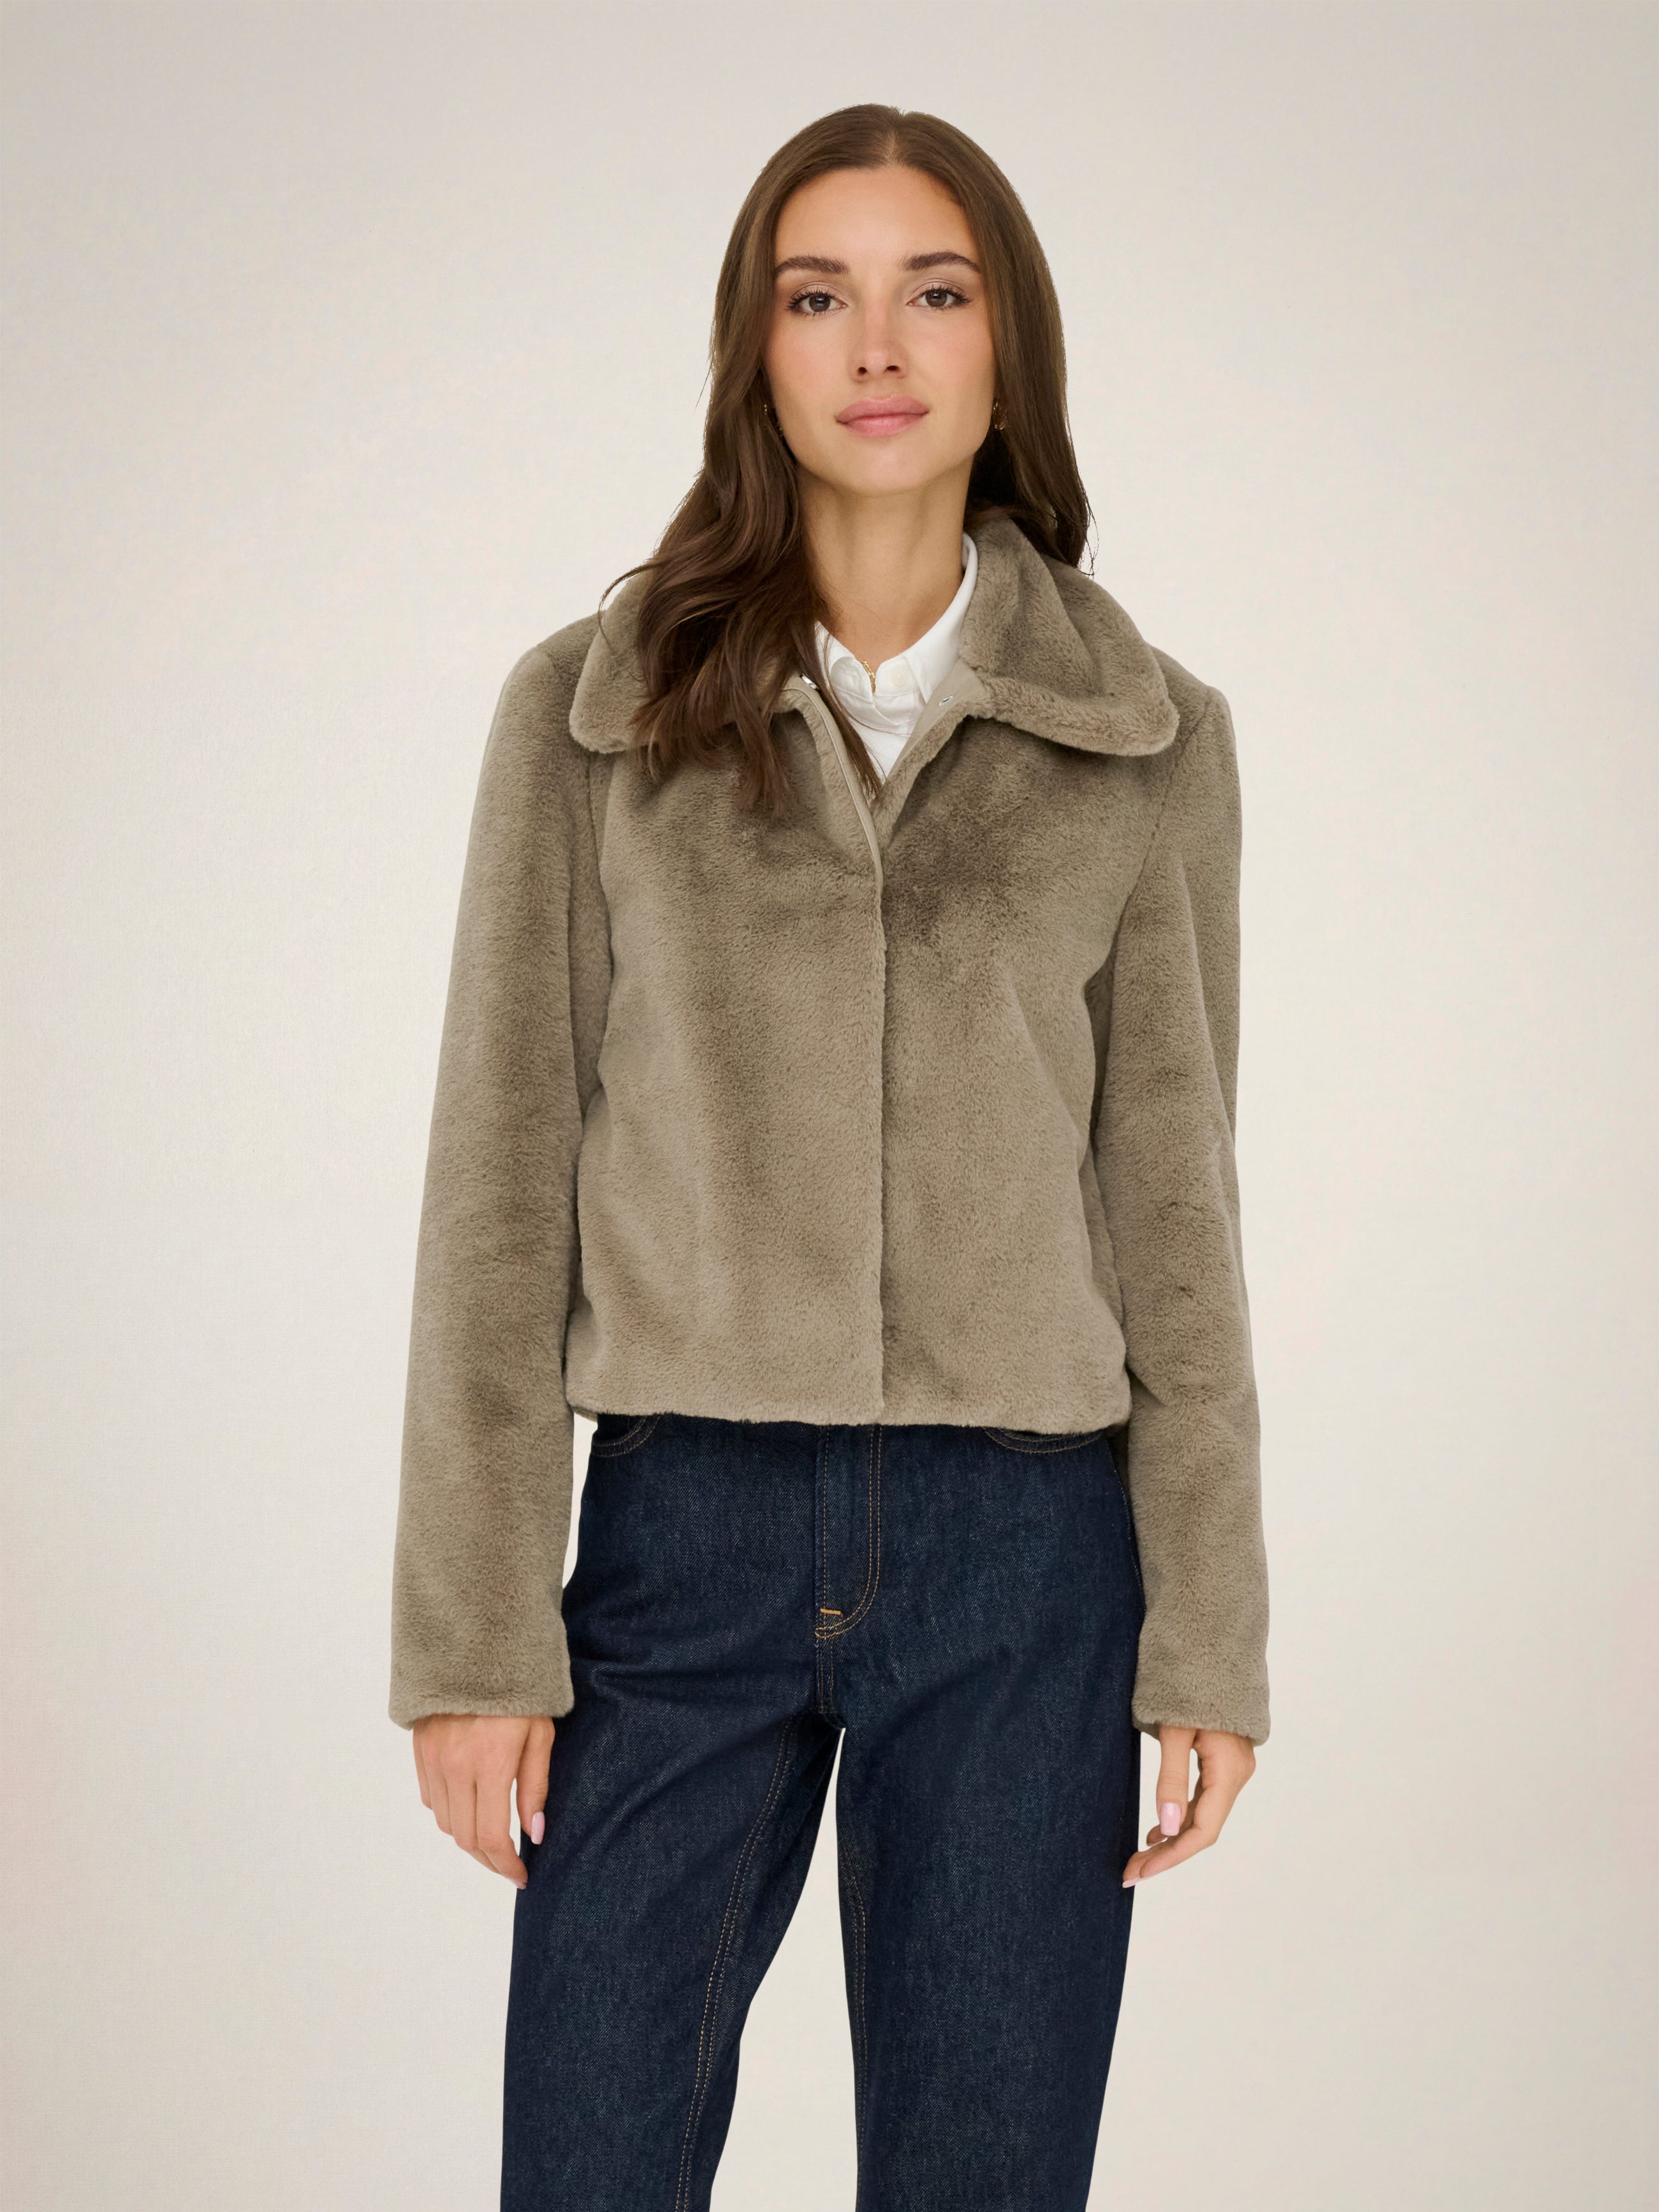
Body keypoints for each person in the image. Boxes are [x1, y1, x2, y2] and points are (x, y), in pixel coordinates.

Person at [388, 102, 1270, 2212]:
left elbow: (1173, 1204)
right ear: (757, 351)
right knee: (588, 2161)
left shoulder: (1143, 735)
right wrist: (476, 1637)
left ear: (1002, 343)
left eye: (931, 291)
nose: (877, 344)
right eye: (818, 296)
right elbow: (498, 1187)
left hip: (1026, 1554)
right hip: (681, 1531)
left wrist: (1209, 1629)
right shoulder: (591, 714)